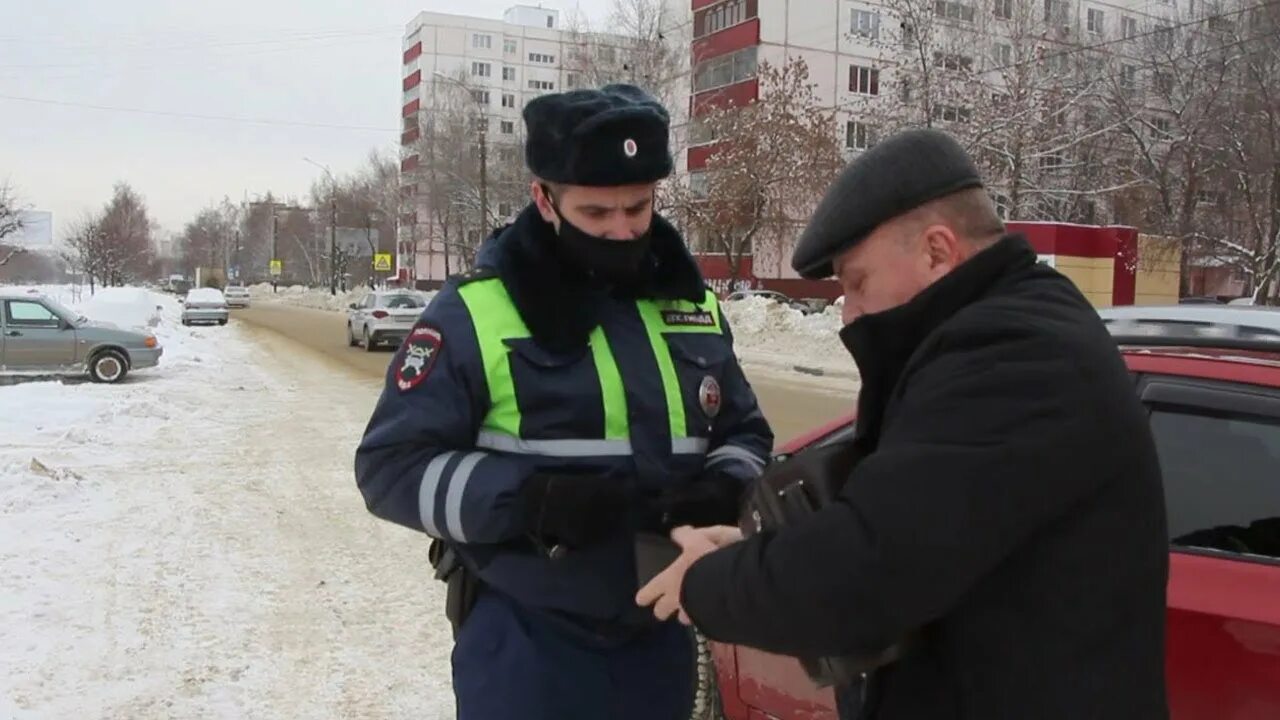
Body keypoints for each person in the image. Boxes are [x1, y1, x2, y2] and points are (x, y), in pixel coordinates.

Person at [637, 128, 1169, 720]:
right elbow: (911, 512)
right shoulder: (1007, 329)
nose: (849, 311)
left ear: (937, 251)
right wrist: (759, 546)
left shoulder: (1017, 355)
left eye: (857, 281)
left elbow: (869, 567)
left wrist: (707, 584)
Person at [354, 83, 773, 720]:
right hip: (527, 645)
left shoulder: (691, 305)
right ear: (543, 200)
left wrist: (721, 490)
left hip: (658, 635)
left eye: (638, 208)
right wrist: (529, 499)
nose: (624, 230)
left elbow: (744, 432)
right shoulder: (474, 312)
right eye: (596, 214)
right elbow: (390, 468)